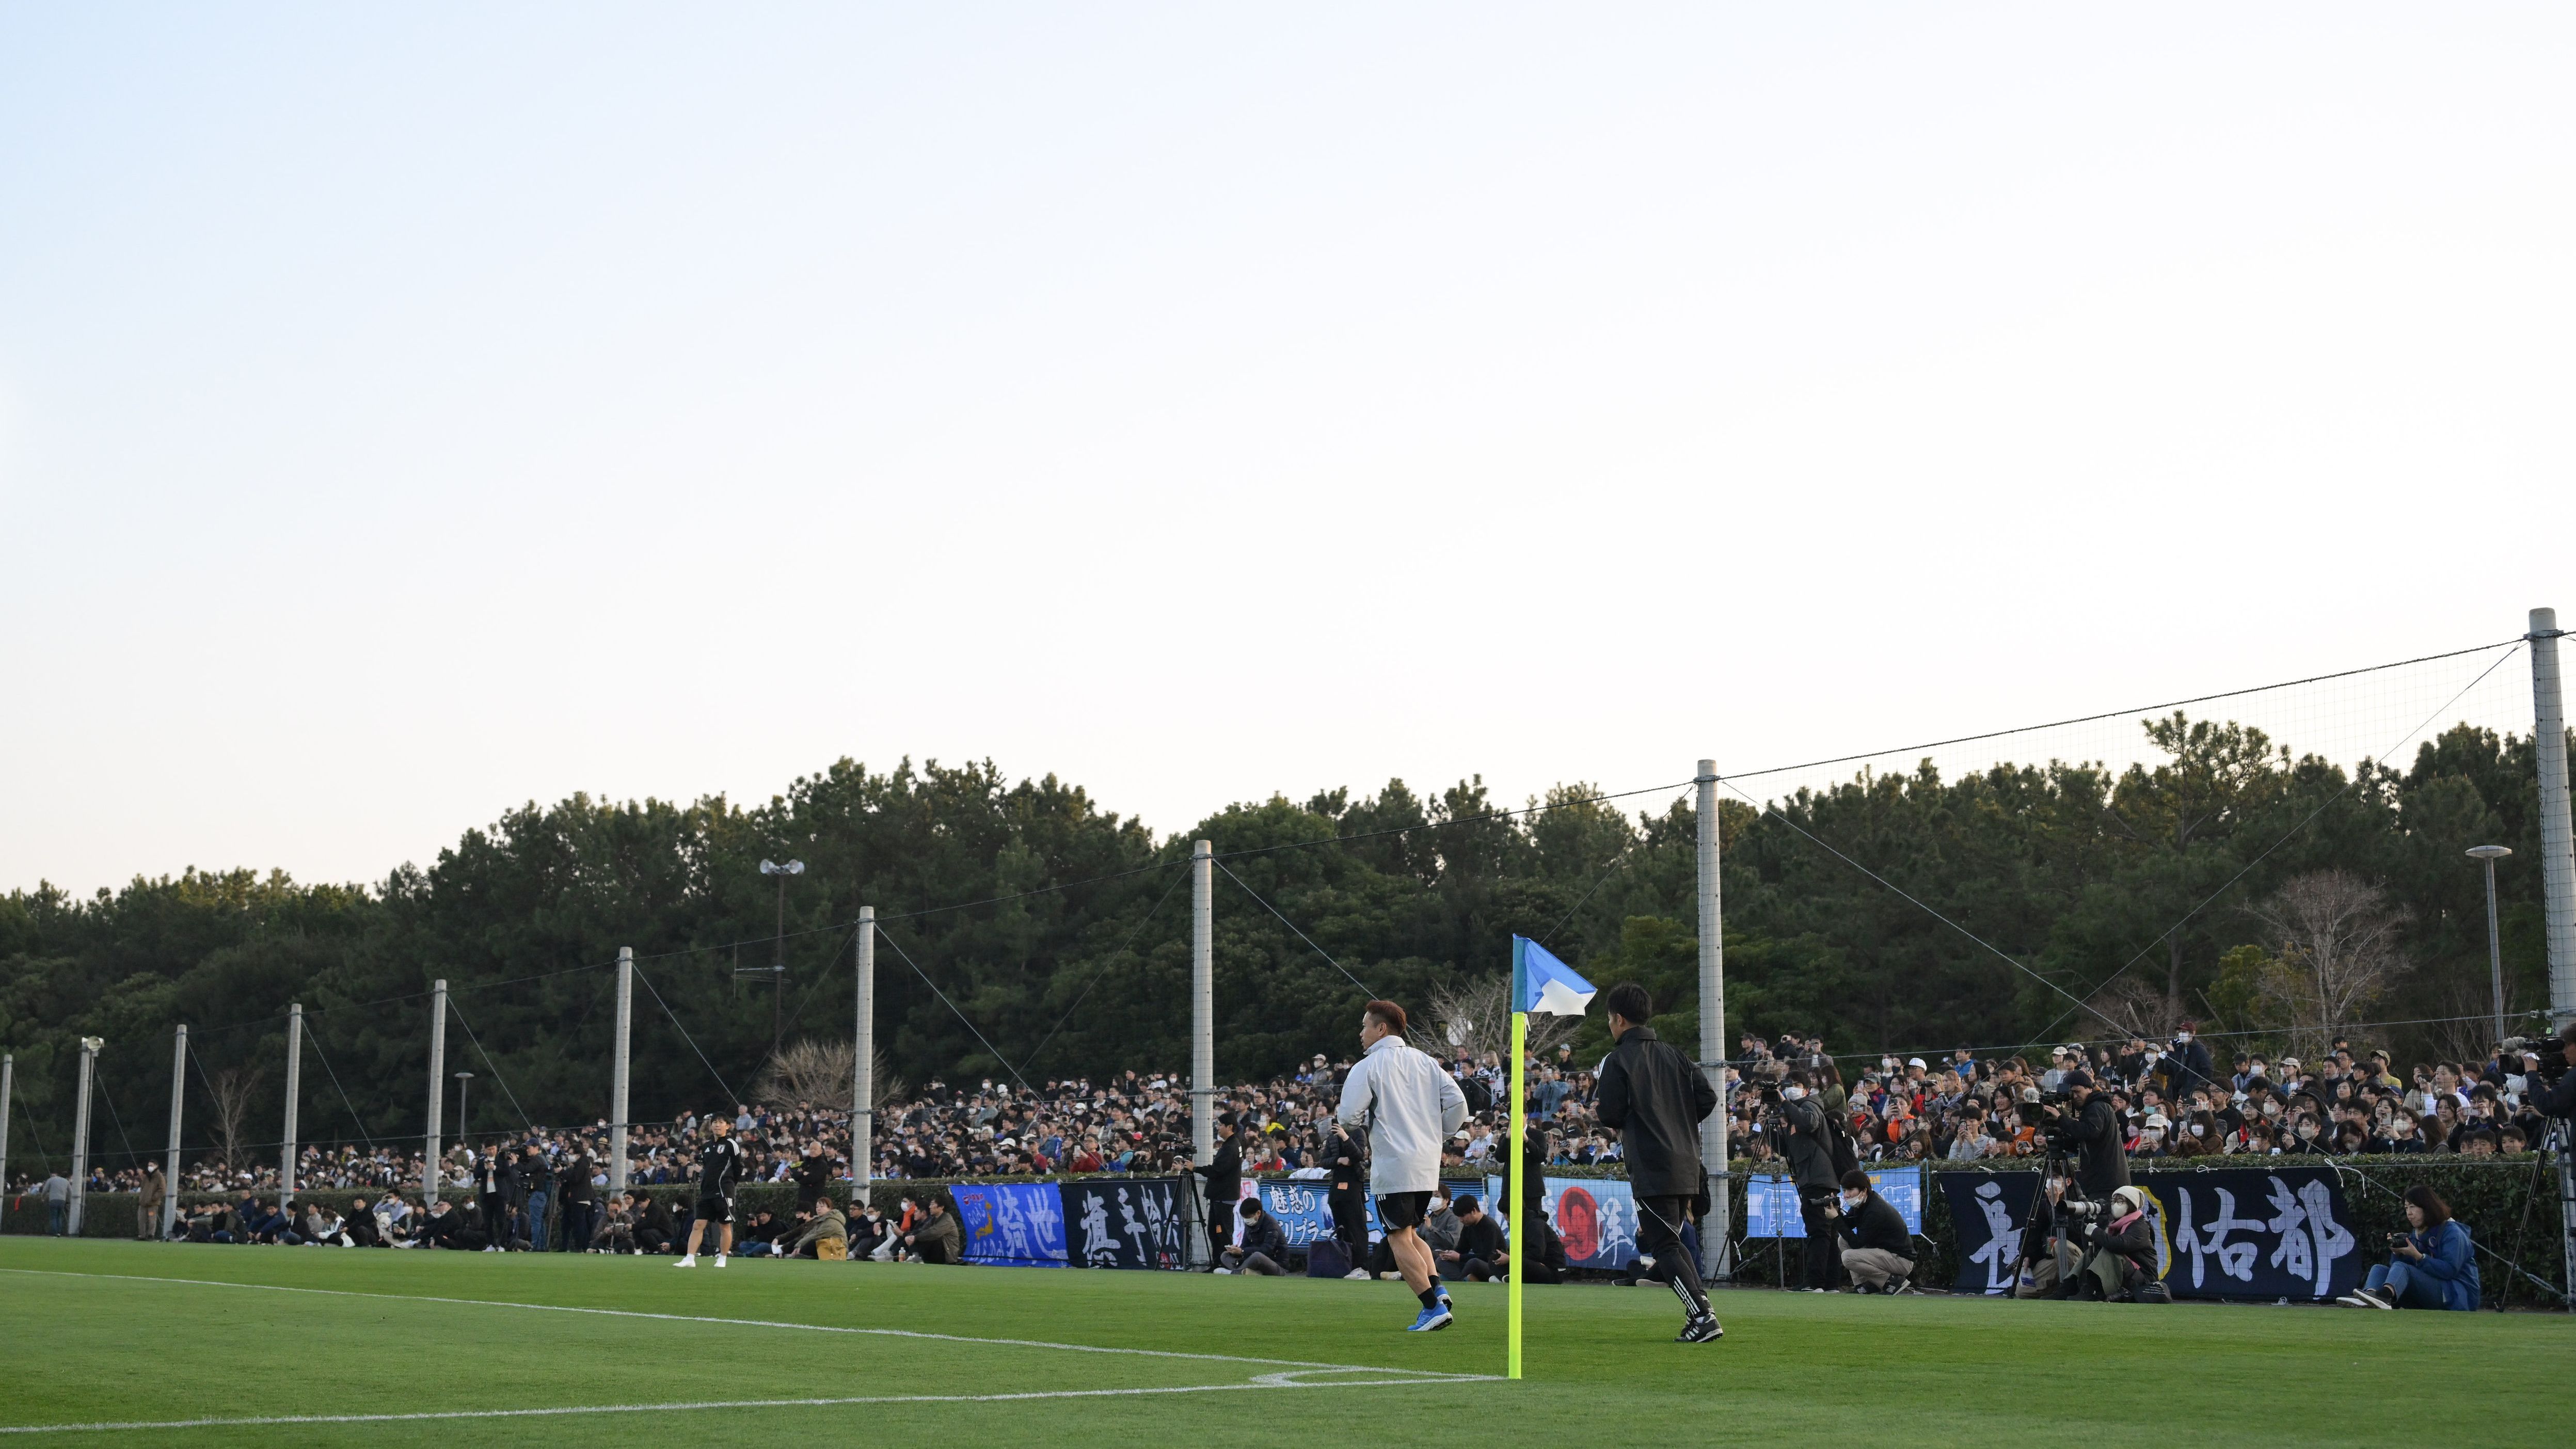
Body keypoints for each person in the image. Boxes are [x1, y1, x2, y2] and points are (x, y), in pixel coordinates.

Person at [1595, 981, 1723, 1342]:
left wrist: (1612, 1114)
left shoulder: (1617, 1059)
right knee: (1675, 1240)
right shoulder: (1677, 1055)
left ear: (1619, 1019)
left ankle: (1702, 1315)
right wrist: (1677, 1117)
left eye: (1609, 1019)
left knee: (1663, 1245)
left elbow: (1612, 1111)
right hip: (1687, 1160)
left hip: (1652, 1164)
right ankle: (1701, 1311)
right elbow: (1708, 1098)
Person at [1335, 998, 1468, 1331]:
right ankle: (1438, 1289)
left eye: (1365, 1025)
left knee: (1397, 1237)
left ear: (1381, 1028)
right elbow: (1459, 1104)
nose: (1361, 1032)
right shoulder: (1425, 1061)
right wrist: (1438, 1132)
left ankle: (1431, 1307)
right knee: (1409, 1232)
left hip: (1395, 1163)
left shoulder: (1367, 1066)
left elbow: (1348, 1116)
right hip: (1426, 1164)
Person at [2342, 1185, 2479, 1310]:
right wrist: (2398, 1253)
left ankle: (2384, 1298)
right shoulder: (2418, 1232)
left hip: (2456, 1296)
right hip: (2434, 1291)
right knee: (2379, 1269)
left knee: (2403, 1268)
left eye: (2412, 1207)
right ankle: (2370, 1297)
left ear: (2427, 1207)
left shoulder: (2453, 1233)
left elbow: (2450, 1271)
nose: (2409, 1213)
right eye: (2406, 1208)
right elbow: (2397, 1271)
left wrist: (2419, 1257)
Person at [1765, 1069, 1839, 1295]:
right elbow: (1787, 1150)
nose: (1790, 1089)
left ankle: (1815, 1282)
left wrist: (1786, 1104)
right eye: (1788, 1085)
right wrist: (1771, 1128)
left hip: (1819, 1178)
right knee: (1825, 1231)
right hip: (1813, 1178)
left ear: (1806, 1089)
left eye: (1796, 1085)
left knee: (1819, 1231)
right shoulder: (1795, 1113)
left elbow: (1809, 1123)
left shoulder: (1811, 1105)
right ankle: (1829, 1283)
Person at [675, 1116, 745, 1267]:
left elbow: (738, 1167)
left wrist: (730, 1184)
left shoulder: (731, 1144)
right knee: (698, 1224)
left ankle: (722, 1258)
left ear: (728, 1126)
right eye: (715, 1123)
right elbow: (707, 1168)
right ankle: (690, 1258)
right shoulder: (707, 1146)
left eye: (721, 1123)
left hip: (723, 1191)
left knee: (724, 1225)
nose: (717, 1126)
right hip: (707, 1191)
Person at [1831, 1170, 1913, 1293]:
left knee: (1848, 1258)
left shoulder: (1875, 1210)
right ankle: (1865, 1285)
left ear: (1864, 1191)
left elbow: (1857, 1244)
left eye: (1851, 1190)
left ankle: (1893, 1281)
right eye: (1844, 1191)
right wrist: (1837, 1212)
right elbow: (1847, 1225)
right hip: (1885, 1255)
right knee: (1843, 1240)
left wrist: (1836, 1218)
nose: (1846, 1195)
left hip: (1901, 1260)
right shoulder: (1863, 1204)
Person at [2074, 1185, 2160, 1301]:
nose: (2115, 1205)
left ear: (2131, 1205)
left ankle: (2092, 1289)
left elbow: (2120, 1245)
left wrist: (2096, 1232)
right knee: (2089, 1254)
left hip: (2143, 1280)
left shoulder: (2141, 1226)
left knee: (2108, 1252)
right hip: (2127, 1275)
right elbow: (2095, 1250)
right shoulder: (2114, 1226)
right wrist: (2086, 1229)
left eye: (2120, 1202)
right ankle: (2069, 1286)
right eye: (2113, 1201)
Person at [1192, 1118, 1246, 1269]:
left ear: (1230, 1127)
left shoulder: (1231, 1147)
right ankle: (1218, 1263)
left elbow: (1218, 1170)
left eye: (1220, 1125)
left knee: (1222, 1233)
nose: (1218, 1128)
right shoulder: (1232, 1144)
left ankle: (1225, 1264)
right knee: (1215, 1232)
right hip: (1221, 1197)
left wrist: (1196, 1169)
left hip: (1224, 1197)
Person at [1215, 1199, 1289, 1276]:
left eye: (1249, 1217)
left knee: (1257, 1256)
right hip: (1254, 1259)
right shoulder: (1249, 1224)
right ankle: (1251, 1273)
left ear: (1258, 1213)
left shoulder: (1271, 1224)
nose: (1247, 1220)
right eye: (1244, 1218)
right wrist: (1236, 1251)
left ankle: (1235, 1272)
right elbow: (1245, 1245)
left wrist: (1243, 1252)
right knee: (1225, 1255)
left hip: (1276, 1265)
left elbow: (1267, 1250)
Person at [902, 1197, 961, 1264]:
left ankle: (917, 1257)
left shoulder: (947, 1220)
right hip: (936, 1253)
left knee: (931, 1237)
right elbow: (922, 1230)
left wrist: (915, 1238)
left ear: (941, 1207)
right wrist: (911, 1236)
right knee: (919, 1235)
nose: (930, 1207)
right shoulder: (934, 1219)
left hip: (948, 1255)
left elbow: (934, 1233)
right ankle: (915, 1256)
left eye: (933, 1205)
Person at [790, 1196, 849, 1260]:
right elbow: (810, 1234)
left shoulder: (832, 1222)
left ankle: (799, 1256)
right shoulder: (822, 1220)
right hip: (828, 1247)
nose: (819, 1209)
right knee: (802, 1242)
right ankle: (798, 1255)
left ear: (830, 1208)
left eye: (822, 1206)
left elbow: (816, 1235)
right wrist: (799, 1244)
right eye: (817, 1207)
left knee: (814, 1242)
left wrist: (799, 1245)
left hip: (838, 1250)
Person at [138, 1164, 166, 1240]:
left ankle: (151, 1235)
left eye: (152, 1165)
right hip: (143, 1203)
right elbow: (142, 1188)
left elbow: (162, 1190)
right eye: (149, 1165)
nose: (150, 1167)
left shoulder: (160, 1177)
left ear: (156, 1166)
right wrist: (142, 1198)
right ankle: (142, 1235)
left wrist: (153, 1198)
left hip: (152, 1204)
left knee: (152, 1220)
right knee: (141, 1220)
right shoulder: (146, 1176)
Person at [41, 1171, 69, 1236]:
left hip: (53, 1200)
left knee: (53, 1217)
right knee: (59, 1217)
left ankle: (55, 1233)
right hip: (62, 1201)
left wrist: (43, 1197)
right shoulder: (66, 1181)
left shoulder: (51, 1180)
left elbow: (45, 1190)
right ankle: (59, 1232)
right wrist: (68, 1200)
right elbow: (70, 1191)